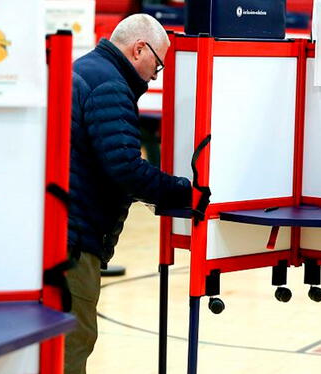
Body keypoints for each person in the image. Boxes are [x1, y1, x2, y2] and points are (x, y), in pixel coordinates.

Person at [64, 14, 191, 374]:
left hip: (60, 229)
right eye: (158, 64)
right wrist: (181, 190)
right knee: (73, 342)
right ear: (139, 49)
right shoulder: (111, 86)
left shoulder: (85, 69)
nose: (156, 75)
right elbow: (124, 167)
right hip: (76, 241)